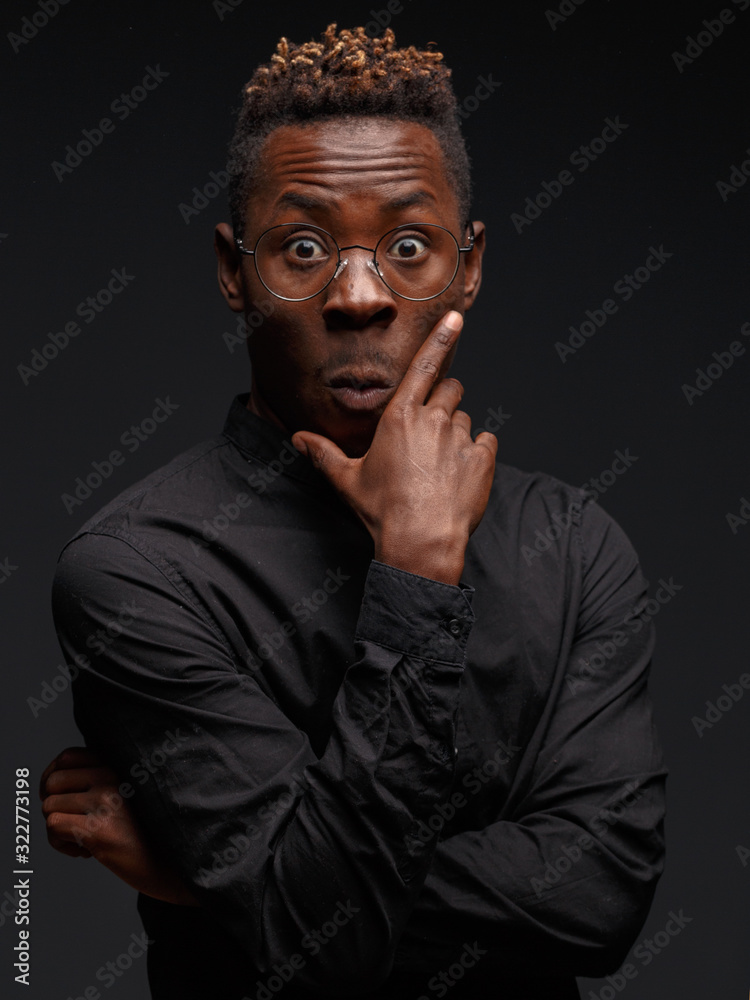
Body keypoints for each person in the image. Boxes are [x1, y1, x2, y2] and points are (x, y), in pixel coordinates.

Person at [40, 23, 666, 1000]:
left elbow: (600, 898)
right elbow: (325, 951)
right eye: (302, 246)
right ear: (232, 269)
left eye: (409, 245)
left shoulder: (576, 549)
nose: (361, 293)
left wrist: (214, 883)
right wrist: (417, 569)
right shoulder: (134, 570)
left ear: (471, 264)